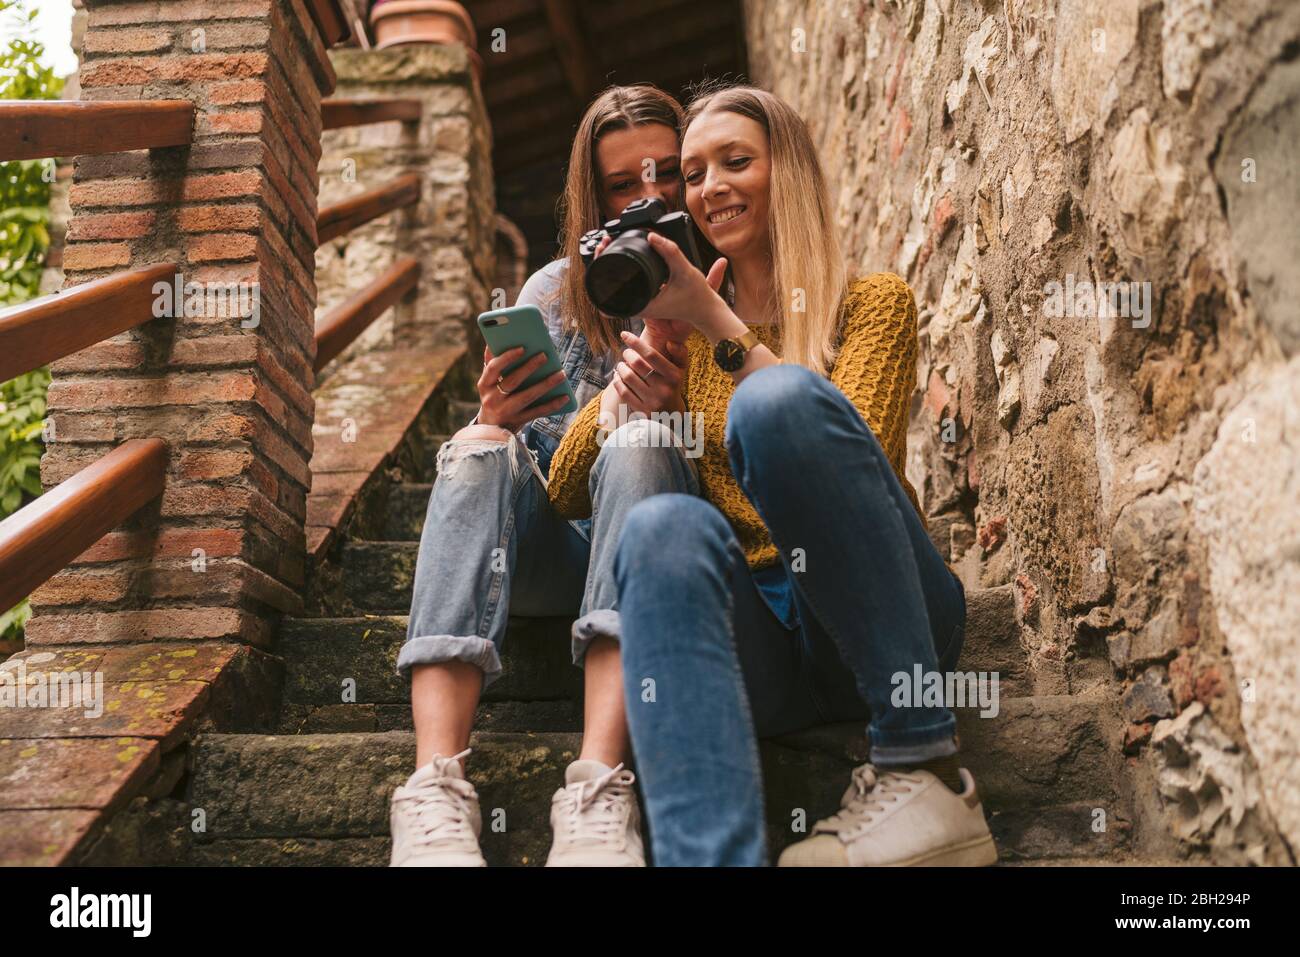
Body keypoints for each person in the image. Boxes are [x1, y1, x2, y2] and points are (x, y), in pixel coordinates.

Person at [545, 84, 999, 867]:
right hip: (764, 639)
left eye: (735, 161)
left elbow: (846, 451)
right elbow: (561, 486)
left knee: (779, 401)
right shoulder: (682, 339)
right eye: (693, 172)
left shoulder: (870, 305)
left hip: (881, 615)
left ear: (783, 171)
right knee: (660, 529)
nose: (708, 185)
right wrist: (631, 388)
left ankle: (920, 761)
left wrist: (716, 325)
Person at [388, 84, 699, 867]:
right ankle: (433, 787)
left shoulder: (726, 281)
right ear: (594, 197)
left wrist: (677, 398)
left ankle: (598, 788)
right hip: (556, 554)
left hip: (664, 555)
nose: (648, 196)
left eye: (664, 173)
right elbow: (539, 476)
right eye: (624, 184)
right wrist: (498, 416)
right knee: (476, 444)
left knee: (641, 444)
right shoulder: (555, 295)